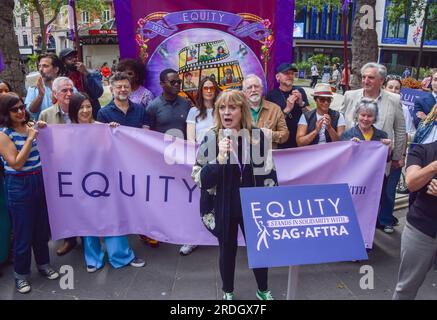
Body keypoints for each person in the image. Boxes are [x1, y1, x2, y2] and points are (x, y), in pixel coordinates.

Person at [191, 89, 276, 300]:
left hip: (252, 204)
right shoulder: (211, 137)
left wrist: (269, 204)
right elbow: (200, 178)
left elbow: (269, 174)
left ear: (242, 110)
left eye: (232, 107)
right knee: (227, 251)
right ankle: (227, 291)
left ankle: (263, 289)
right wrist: (219, 158)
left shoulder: (257, 137)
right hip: (223, 204)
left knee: (259, 249)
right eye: (222, 107)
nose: (226, 112)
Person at [65, 92, 146, 272]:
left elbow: (115, 152)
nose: (86, 110)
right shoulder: (65, 133)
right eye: (81, 107)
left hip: (106, 182)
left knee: (113, 217)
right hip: (81, 184)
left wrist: (115, 132)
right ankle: (93, 259)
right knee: (87, 221)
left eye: (88, 106)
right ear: (73, 110)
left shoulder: (103, 128)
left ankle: (121, 256)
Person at [0, 93, 59, 293]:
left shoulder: (31, 126)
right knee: (23, 233)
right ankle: (21, 275)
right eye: (14, 109)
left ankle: (43, 264)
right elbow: (16, 163)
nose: (20, 111)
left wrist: (41, 131)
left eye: (21, 107)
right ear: (5, 113)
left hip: (39, 179)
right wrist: (30, 138)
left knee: (41, 229)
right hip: (19, 183)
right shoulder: (3, 134)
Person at [180, 76, 221, 256]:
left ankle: (222, 236)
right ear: (200, 90)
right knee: (195, 202)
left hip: (221, 160)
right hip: (201, 162)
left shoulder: (222, 109)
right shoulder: (193, 112)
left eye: (212, 88)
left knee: (218, 200)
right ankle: (192, 238)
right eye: (206, 88)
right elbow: (190, 139)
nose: (209, 91)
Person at [392, 140, 437, 300]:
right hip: (422, 229)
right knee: (406, 287)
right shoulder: (422, 150)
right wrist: (433, 166)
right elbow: (411, 183)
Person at [265, 63, 310, 149]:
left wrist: (301, 104)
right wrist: (287, 109)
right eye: (286, 73)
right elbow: (270, 123)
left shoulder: (300, 91)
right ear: (278, 77)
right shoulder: (271, 95)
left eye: (292, 73)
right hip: (280, 142)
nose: (290, 76)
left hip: (299, 139)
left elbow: (310, 116)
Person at [242, 74, 289, 149]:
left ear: (261, 89)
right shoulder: (239, 110)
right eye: (249, 87)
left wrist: (271, 135)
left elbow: (285, 135)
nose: (253, 90)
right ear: (244, 93)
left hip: (269, 157)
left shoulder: (275, 109)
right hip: (245, 156)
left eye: (256, 86)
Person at [59, 48, 103, 119]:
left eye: (75, 57)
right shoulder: (62, 79)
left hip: (91, 113)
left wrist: (86, 73)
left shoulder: (92, 73)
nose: (74, 60)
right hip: (73, 114)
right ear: (64, 63)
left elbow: (98, 93)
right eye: (70, 59)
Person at [25, 53, 63, 120]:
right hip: (41, 128)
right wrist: (40, 96)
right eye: (39, 66)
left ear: (56, 69)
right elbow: (29, 112)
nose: (40, 69)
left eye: (45, 66)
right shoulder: (33, 88)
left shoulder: (67, 86)